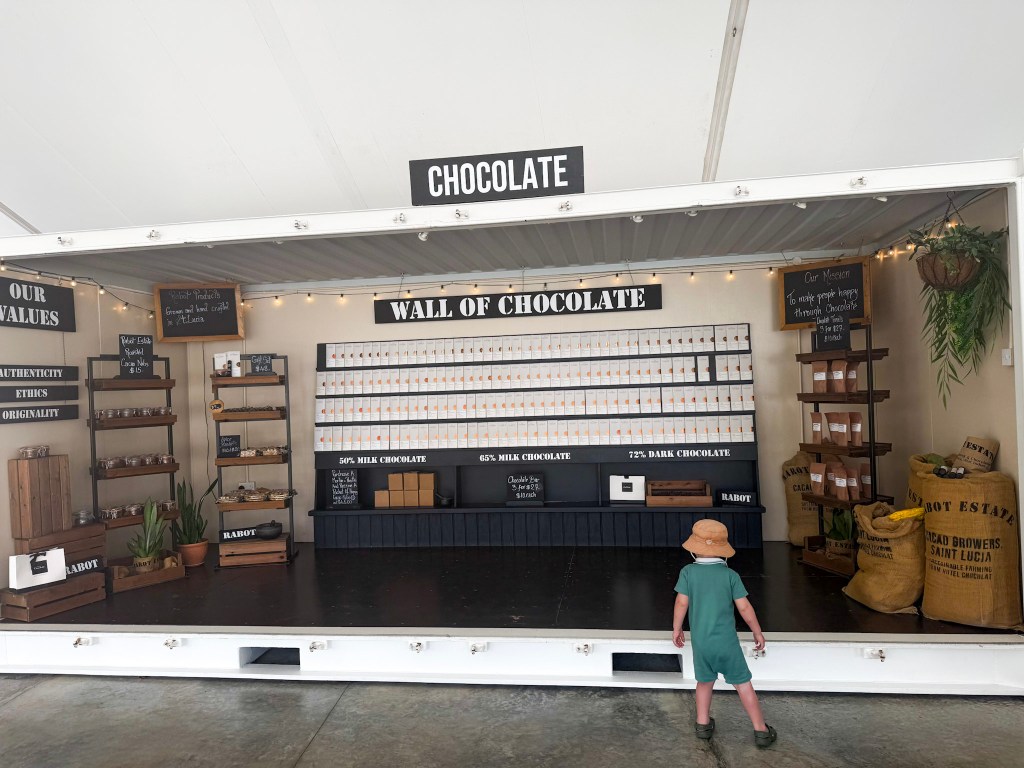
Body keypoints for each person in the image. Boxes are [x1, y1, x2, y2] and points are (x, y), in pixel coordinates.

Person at [671, 518, 777, 747]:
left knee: (704, 682)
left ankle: (702, 724)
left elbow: (681, 603)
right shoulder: (730, 576)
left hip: (702, 643)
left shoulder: (688, 572)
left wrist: (677, 628)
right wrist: (757, 632)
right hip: (727, 643)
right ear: (723, 551)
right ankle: (761, 730)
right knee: (743, 684)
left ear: (694, 550)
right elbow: (745, 607)